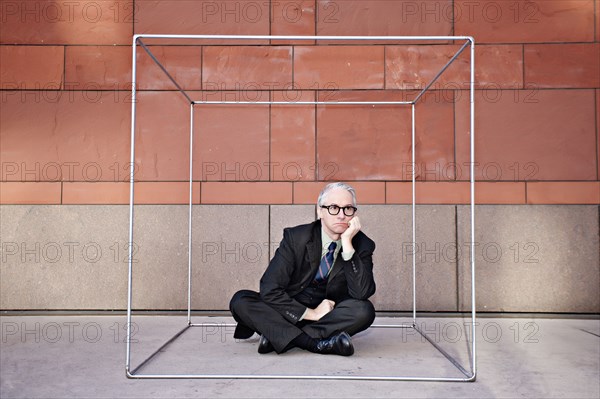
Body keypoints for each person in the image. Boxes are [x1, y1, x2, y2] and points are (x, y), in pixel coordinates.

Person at [229, 182, 376, 356]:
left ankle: (278, 335)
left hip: (328, 316)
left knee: (364, 310)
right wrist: (311, 313)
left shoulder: (362, 244)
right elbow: (270, 288)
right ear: (320, 211)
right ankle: (317, 344)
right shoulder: (296, 237)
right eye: (334, 208)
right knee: (240, 300)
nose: (342, 215)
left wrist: (347, 247)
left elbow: (361, 293)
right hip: (289, 310)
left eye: (348, 209)